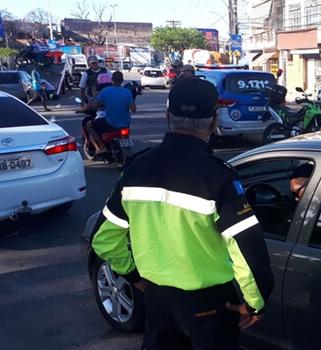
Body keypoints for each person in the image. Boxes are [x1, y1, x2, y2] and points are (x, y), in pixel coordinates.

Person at [91, 78, 274, 349]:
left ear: (167, 116)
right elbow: (246, 248)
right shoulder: (218, 176)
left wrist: (133, 276)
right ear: (213, 121)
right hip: (209, 306)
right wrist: (255, 304)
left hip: (156, 299)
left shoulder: (137, 168)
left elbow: (104, 239)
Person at [84, 71, 135, 156]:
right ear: (122, 80)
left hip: (110, 122)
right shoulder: (127, 92)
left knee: (89, 125)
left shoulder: (105, 91)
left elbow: (95, 104)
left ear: (112, 80)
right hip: (126, 123)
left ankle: (101, 146)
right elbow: (133, 109)